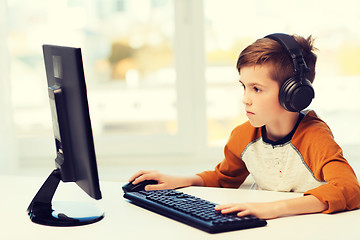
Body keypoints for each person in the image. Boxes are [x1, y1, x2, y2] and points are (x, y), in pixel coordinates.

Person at [128, 33, 360, 219]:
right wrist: (183, 180)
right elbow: (224, 178)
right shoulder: (243, 136)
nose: (245, 99)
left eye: (257, 89)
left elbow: (349, 189)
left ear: (295, 94)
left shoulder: (314, 137)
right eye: (244, 87)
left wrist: (275, 208)